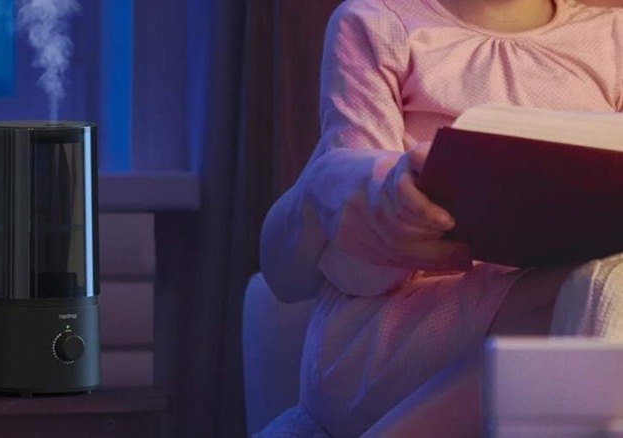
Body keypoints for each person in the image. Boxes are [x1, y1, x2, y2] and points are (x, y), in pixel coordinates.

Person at [258, 0, 623, 436]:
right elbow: (358, 268)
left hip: (558, 296)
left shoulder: (613, 36)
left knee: (601, 285)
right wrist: (401, 214)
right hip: (397, 320)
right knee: (596, 289)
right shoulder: (379, 24)